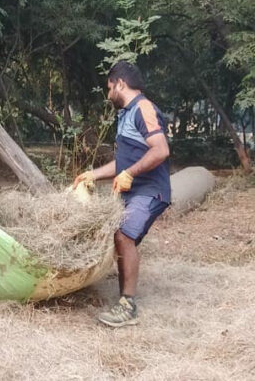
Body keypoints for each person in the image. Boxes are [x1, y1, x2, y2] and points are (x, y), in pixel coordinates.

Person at [73, 61, 170, 328]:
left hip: (150, 191)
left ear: (120, 84)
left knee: (124, 234)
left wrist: (131, 174)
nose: (108, 95)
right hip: (134, 188)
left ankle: (128, 305)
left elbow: (160, 150)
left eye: (109, 88)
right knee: (121, 238)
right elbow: (123, 162)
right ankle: (123, 297)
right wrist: (93, 174)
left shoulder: (144, 108)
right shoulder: (126, 114)